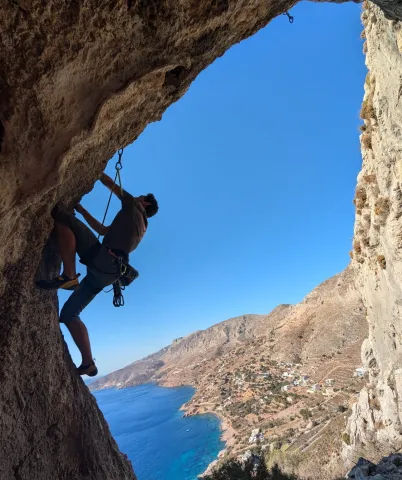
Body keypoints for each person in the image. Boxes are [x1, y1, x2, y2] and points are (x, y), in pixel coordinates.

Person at [36, 172, 159, 377]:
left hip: (105, 260)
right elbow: (102, 230)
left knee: (63, 218)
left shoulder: (133, 205)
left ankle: (69, 276)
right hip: (108, 273)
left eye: (140, 197)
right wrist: (82, 210)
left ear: (144, 203)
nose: (136, 197)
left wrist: (96, 169)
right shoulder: (140, 226)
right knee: (69, 314)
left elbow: (110, 183)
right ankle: (88, 363)